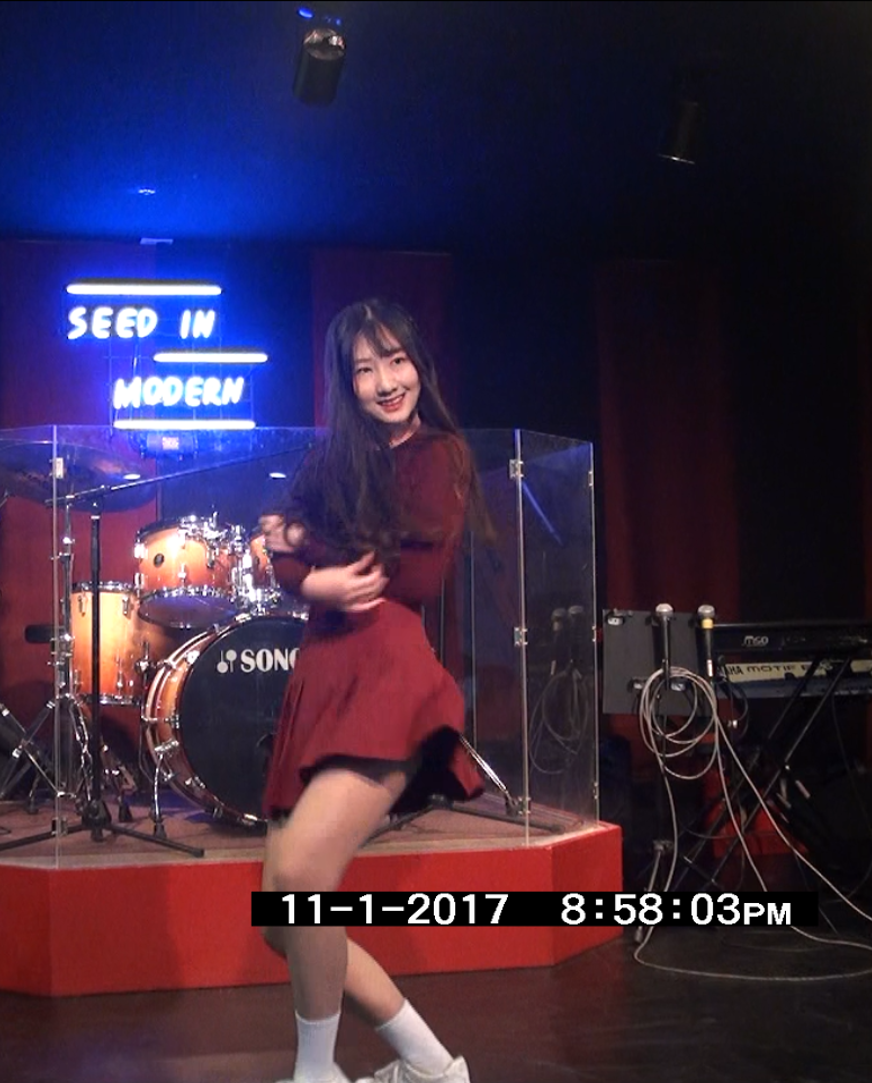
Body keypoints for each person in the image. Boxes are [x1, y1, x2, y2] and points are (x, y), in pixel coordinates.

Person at [254, 298, 490, 1083]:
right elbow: (274, 546)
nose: (386, 381)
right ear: (344, 381)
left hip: (387, 676)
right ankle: (432, 1068)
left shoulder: (438, 454)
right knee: (281, 918)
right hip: (321, 676)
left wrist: (305, 545)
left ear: (419, 363)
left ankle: (315, 1074)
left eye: (396, 360)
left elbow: (412, 573)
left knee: (303, 881)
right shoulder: (332, 462)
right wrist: (309, 574)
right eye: (365, 368)